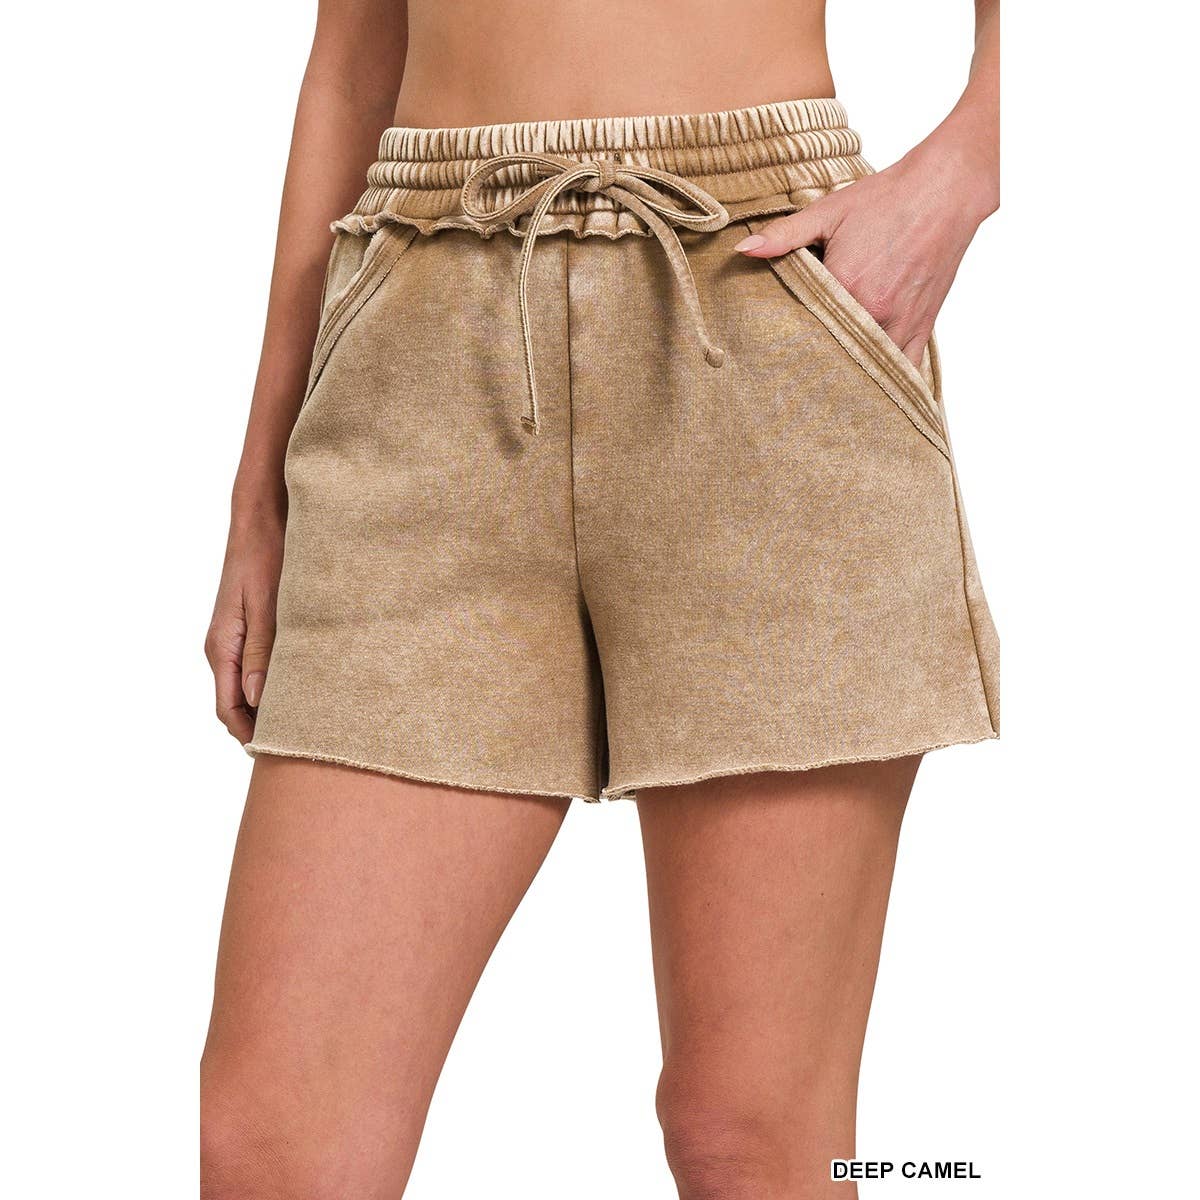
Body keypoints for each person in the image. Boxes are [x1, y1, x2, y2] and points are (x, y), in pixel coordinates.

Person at [201, 1, 1000, 1195]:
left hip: (755, 291)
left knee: (753, 1139)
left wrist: (979, 149)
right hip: (423, 335)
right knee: (275, 1148)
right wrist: (259, 484)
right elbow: (355, 50)